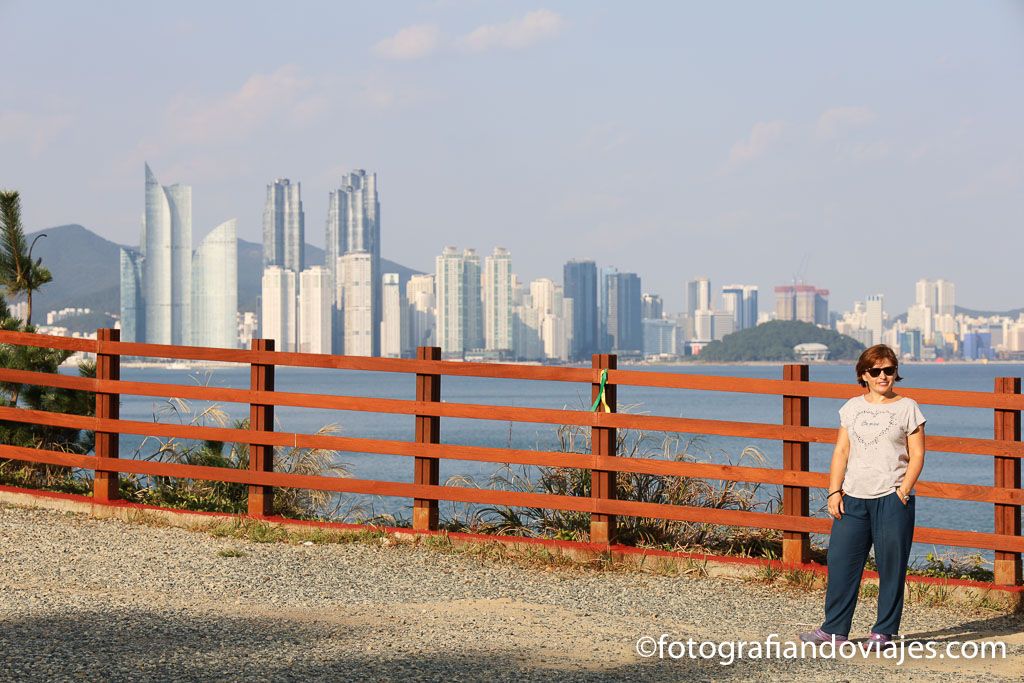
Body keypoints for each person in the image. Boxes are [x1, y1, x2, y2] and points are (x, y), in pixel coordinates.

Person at [800, 344, 926, 649]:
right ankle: (834, 629)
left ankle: (883, 632)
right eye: (876, 371)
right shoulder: (852, 408)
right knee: (842, 562)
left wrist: (904, 491)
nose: (883, 376)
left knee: (891, 566)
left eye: (889, 370)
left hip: (892, 498)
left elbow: (918, 453)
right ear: (864, 375)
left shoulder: (907, 407)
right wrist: (834, 490)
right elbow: (841, 451)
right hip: (853, 497)